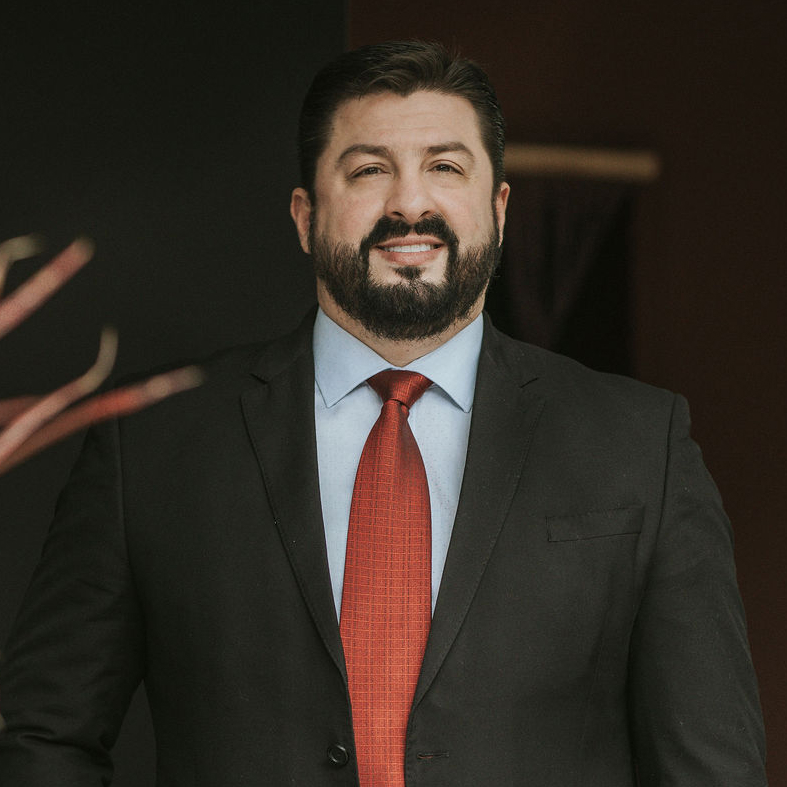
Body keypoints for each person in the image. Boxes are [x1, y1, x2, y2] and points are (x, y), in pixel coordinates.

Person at [0, 40, 767, 786]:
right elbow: (43, 734)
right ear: (304, 215)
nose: (409, 202)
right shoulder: (151, 442)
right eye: (369, 169)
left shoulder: (640, 446)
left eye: (445, 167)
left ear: (498, 209)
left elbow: (712, 769)